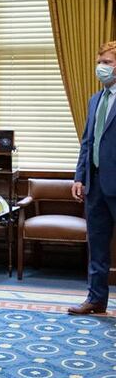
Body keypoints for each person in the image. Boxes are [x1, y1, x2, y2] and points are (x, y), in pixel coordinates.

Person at [69, 41, 116, 315]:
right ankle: (96, 299)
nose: (102, 68)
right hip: (95, 184)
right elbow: (87, 142)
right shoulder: (94, 100)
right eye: (100, 62)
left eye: (107, 63)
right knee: (96, 244)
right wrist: (80, 177)